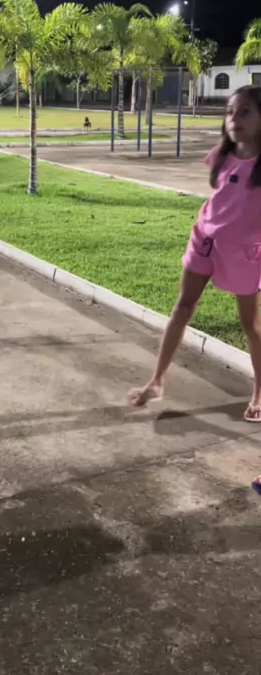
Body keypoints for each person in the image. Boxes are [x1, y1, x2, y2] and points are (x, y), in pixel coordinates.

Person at [129, 86, 261, 491]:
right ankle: (157, 381)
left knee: (249, 324)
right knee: (182, 308)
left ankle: (259, 392)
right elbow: (220, 198)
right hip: (204, 240)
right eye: (230, 112)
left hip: (244, 253)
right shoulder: (221, 155)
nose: (234, 120)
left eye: (245, 112)